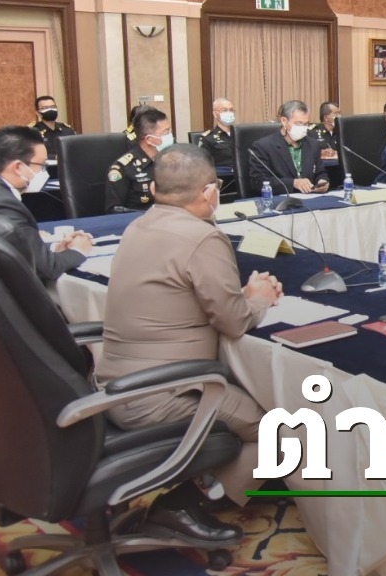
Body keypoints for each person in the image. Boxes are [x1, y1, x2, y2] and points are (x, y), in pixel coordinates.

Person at [94, 145, 282, 545]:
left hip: (112, 386)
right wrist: (260, 299)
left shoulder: (138, 225)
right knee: (281, 430)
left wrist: (243, 295)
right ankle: (184, 505)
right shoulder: (203, 236)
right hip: (164, 392)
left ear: (153, 189)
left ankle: (207, 480)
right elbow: (234, 321)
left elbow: (184, 297)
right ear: (209, 192)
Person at [0, 126, 92, 282]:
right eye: (41, 165)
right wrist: (78, 251)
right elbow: (47, 268)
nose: (43, 172)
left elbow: (14, 248)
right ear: (18, 167)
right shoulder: (4, 205)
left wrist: (52, 249)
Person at [248, 100, 330, 195]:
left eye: (306, 124)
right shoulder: (263, 146)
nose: (303, 128)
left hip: (310, 197)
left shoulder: (312, 144)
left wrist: (322, 181)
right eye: (299, 123)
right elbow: (259, 181)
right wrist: (293, 183)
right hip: (281, 199)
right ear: (284, 121)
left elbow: (320, 172)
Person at [106, 108, 171, 213]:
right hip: (140, 220)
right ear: (149, 139)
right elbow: (114, 211)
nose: (170, 136)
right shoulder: (123, 168)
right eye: (166, 132)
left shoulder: (172, 161)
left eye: (170, 131)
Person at [30, 95, 76, 160]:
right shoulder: (32, 132)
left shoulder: (67, 130)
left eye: (53, 107)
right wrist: (55, 157)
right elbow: (32, 155)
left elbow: (75, 150)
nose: (50, 110)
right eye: (45, 108)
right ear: (38, 113)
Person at [198, 98, 236, 168]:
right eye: (224, 110)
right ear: (215, 114)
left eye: (231, 110)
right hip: (222, 173)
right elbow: (203, 165)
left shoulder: (240, 134)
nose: (229, 113)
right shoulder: (208, 138)